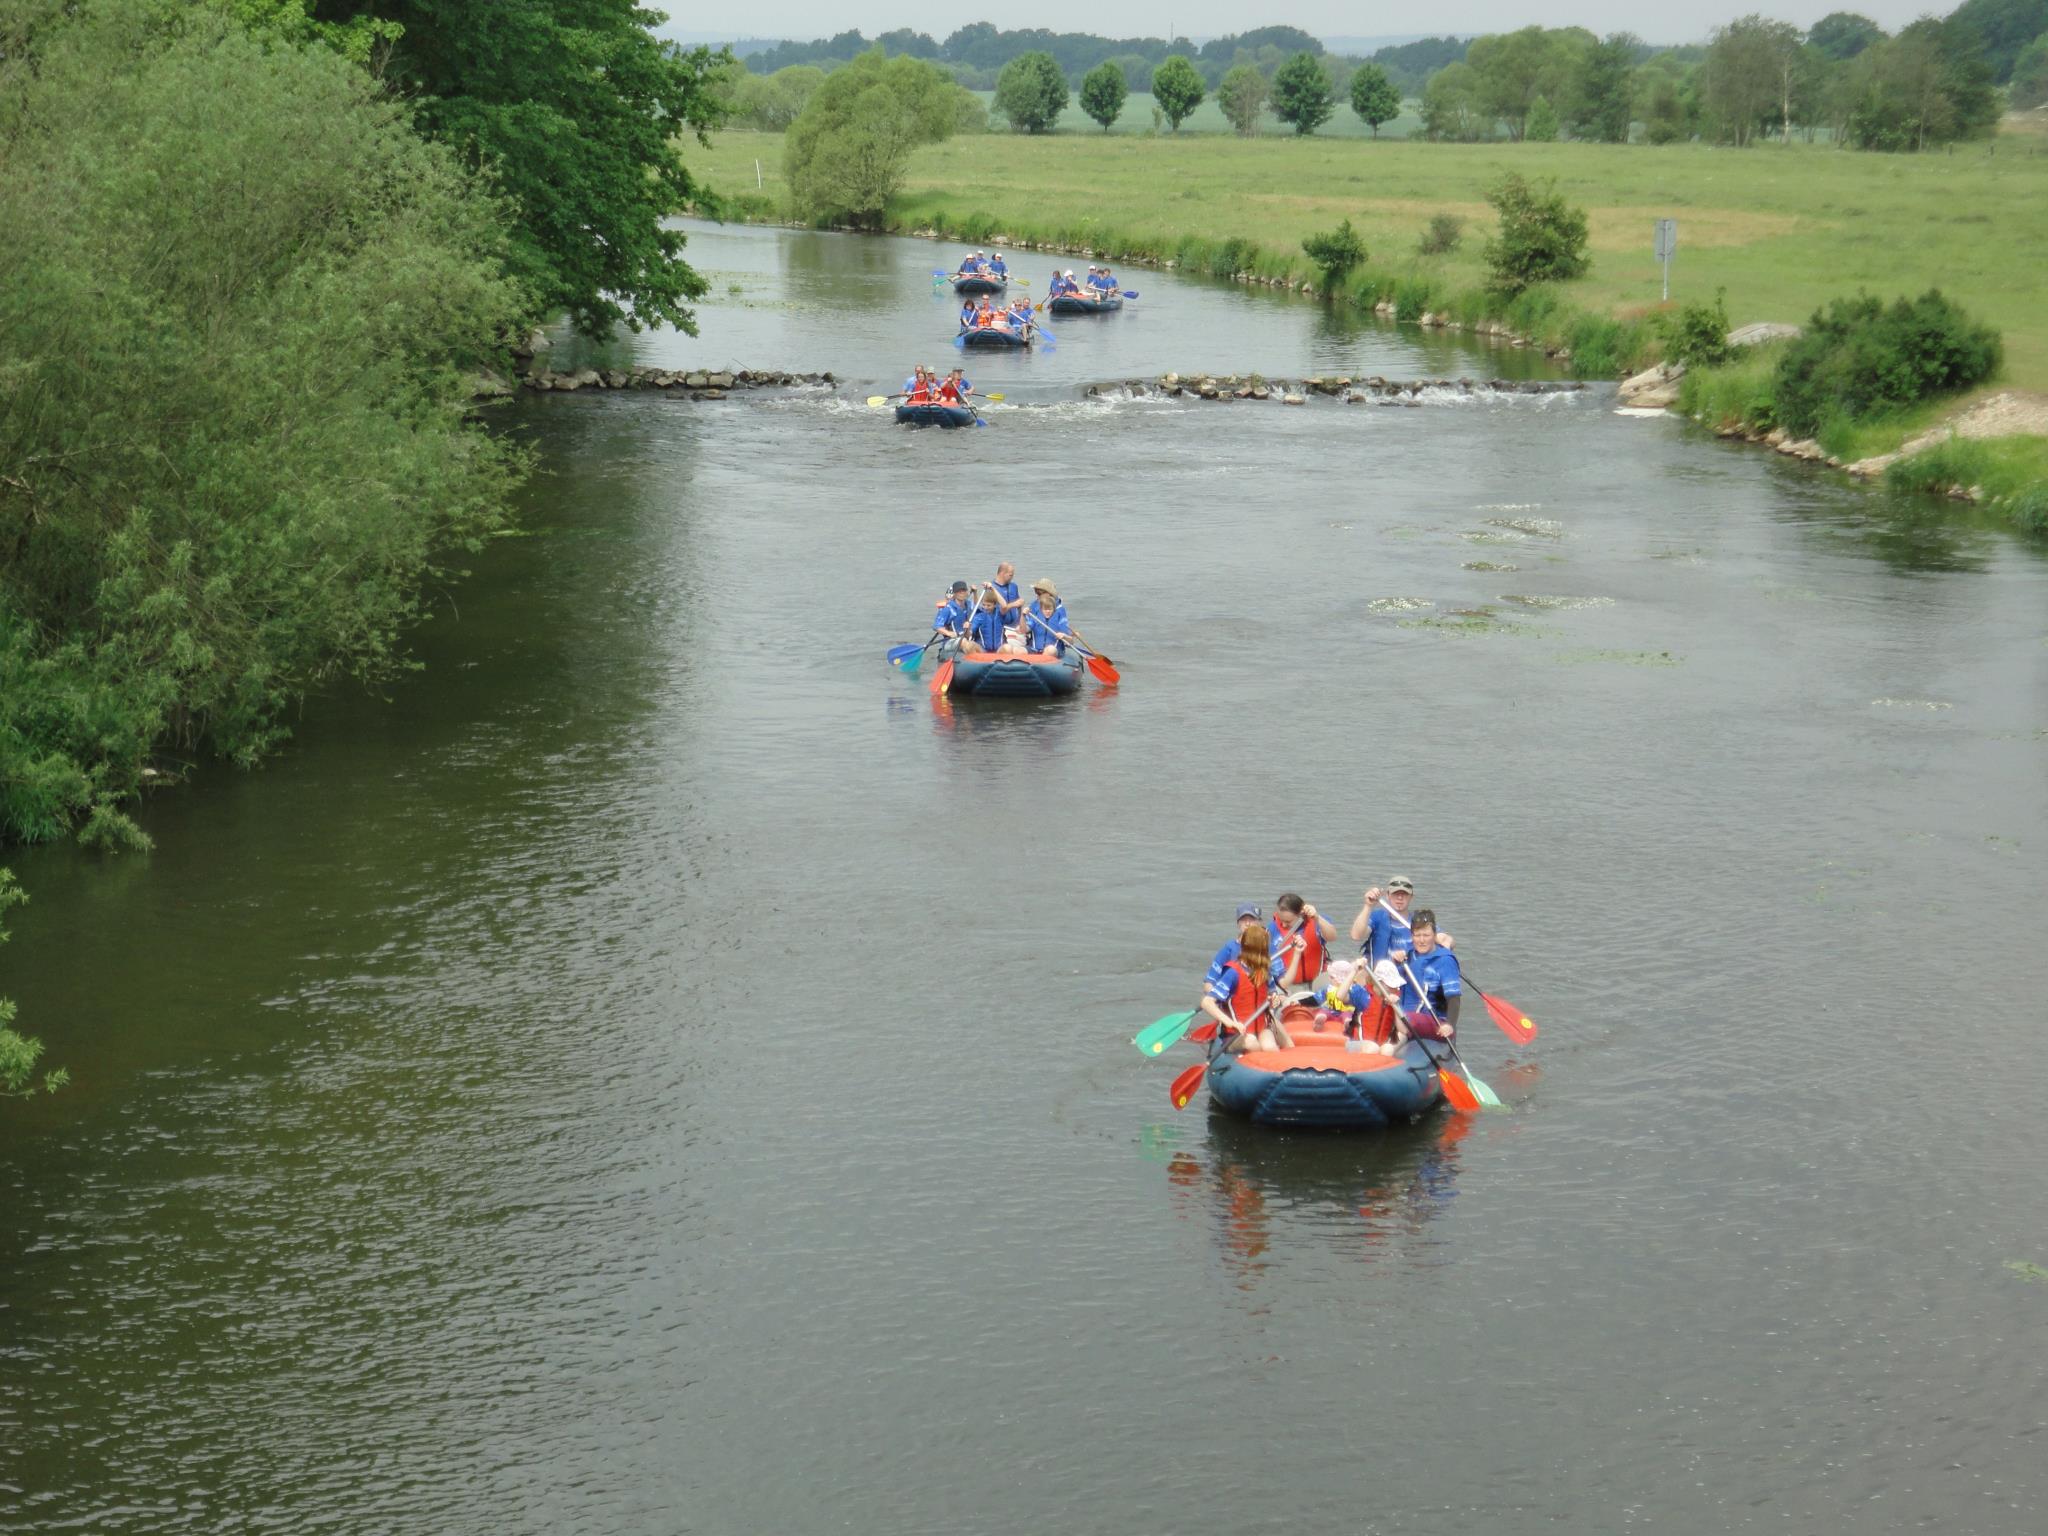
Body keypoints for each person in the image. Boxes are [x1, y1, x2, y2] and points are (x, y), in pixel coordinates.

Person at [1200, 910, 1292, 1054]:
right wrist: (1230, 1022)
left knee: (1270, 1048)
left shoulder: (1264, 972)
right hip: (1236, 1033)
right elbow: (1206, 1002)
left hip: (1260, 1027)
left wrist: (1274, 1000)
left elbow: (1272, 995)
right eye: (1263, 950)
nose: (1266, 954)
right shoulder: (1232, 973)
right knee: (1252, 1043)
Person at [1395, 912, 1461, 1040]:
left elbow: (1454, 997)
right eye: (1417, 935)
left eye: (1426, 935)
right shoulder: (1407, 955)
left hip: (1435, 1021)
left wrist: (1450, 1025)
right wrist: (1395, 961)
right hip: (1406, 1016)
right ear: (1412, 936)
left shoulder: (1445, 960)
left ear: (1435, 936)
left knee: (1403, 1017)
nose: (1421, 940)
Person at [1270, 894, 1338, 993]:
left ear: (1301, 914)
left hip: (1317, 981)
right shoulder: (1273, 930)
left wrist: (1317, 918)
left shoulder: (1316, 923)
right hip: (1288, 987)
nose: (1284, 924)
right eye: (1281, 920)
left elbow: (1332, 937)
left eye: (1288, 921)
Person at [1021, 579, 1070, 654]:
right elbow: (1024, 630)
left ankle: (1042, 660)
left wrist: (1064, 636)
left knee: (1050, 650)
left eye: (1039, 593)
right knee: (1017, 651)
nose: (1036, 595)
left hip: (1053, 649)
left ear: (1049, 594)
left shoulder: (1060, 611)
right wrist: (1023, 616)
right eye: (1036, 592)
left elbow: (1069, 640)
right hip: (1034, 649)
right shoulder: (1034, 606)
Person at [961, 586, 1006, 655]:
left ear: (995, 605)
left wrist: (992, 588)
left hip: (998, 651)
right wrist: (967, 628)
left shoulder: (1000, 614)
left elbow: (1004, 605)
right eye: (984, 605)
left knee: (1008, 647)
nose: (985, 607)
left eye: (989, 605)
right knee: (970, 644)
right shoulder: (979, 616)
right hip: (983, 651)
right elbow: (969, 634)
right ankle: (976, 662)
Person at [987, 561, 1023, 626]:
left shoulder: (1013, 586)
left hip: (1015, 626)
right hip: (1000, 626)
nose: (1012, 577)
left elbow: (1019, 605)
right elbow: (990, 609)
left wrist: (1020, 622)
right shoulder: (991, 588)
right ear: (1002, 573)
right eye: (1010, 575)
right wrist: (1014, 604)